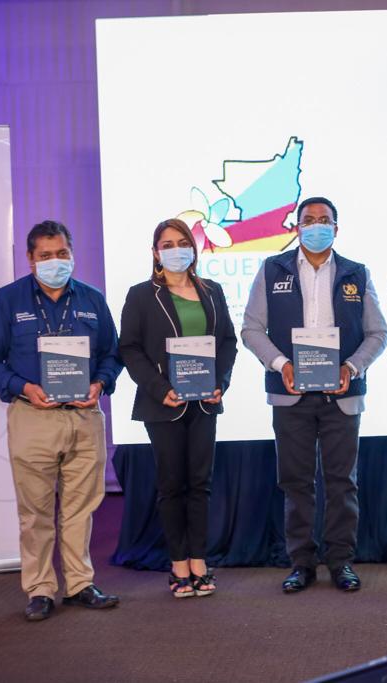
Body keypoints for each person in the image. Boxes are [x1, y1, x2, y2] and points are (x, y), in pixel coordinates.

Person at [242, 196, 387, 594]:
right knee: (296, 482)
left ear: (336, 229)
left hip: (341, 394)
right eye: (309, 220)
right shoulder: (272, 269)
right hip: (291, 393)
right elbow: (251, 328)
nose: (317, 226)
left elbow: (378, 333)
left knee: (342, 483)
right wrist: (281, 365)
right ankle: (301, 563)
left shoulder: (356, 273)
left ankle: (341, 562)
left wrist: (351, 367)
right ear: (297, 227)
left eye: (325, 220)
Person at [0, 220, 124, 621]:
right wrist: (24, 388)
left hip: (84, 416)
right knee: (35, 512)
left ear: (72, 254)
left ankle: (79, 584)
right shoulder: (8, 301)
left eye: (62, 253)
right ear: (30, 259)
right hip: (33, 417)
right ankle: (40, 589)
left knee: (80, 508)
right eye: (45, 255)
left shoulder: (92, 300)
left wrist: (100, 382)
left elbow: (113, 354)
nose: (54, 261)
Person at [118, 218, 238, 598]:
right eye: (167, 245)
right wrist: (160, 389)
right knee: (172, 485)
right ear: (155, 253)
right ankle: (178, 565)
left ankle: (199, 561)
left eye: (182, 242)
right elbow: (129, 349)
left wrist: (220, 383)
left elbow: (228, 342)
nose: (175, 250)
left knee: (200, 484)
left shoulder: (213, 291)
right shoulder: (141, 295)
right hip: (163, 404)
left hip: (204, 402)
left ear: (193, 248)